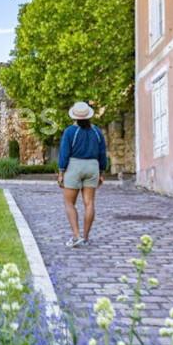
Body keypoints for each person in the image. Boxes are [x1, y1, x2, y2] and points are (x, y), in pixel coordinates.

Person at [57, 101, 107, 247]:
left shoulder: (70, 132)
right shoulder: (97, 132)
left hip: (74, 166)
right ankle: (85, 238)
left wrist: (61, 171)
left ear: (75, 116)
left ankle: (76, 235)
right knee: (89, 203)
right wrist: (102, 171)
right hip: (93, 166)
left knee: (69, 202)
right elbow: (102, 153)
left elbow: (64, 153)